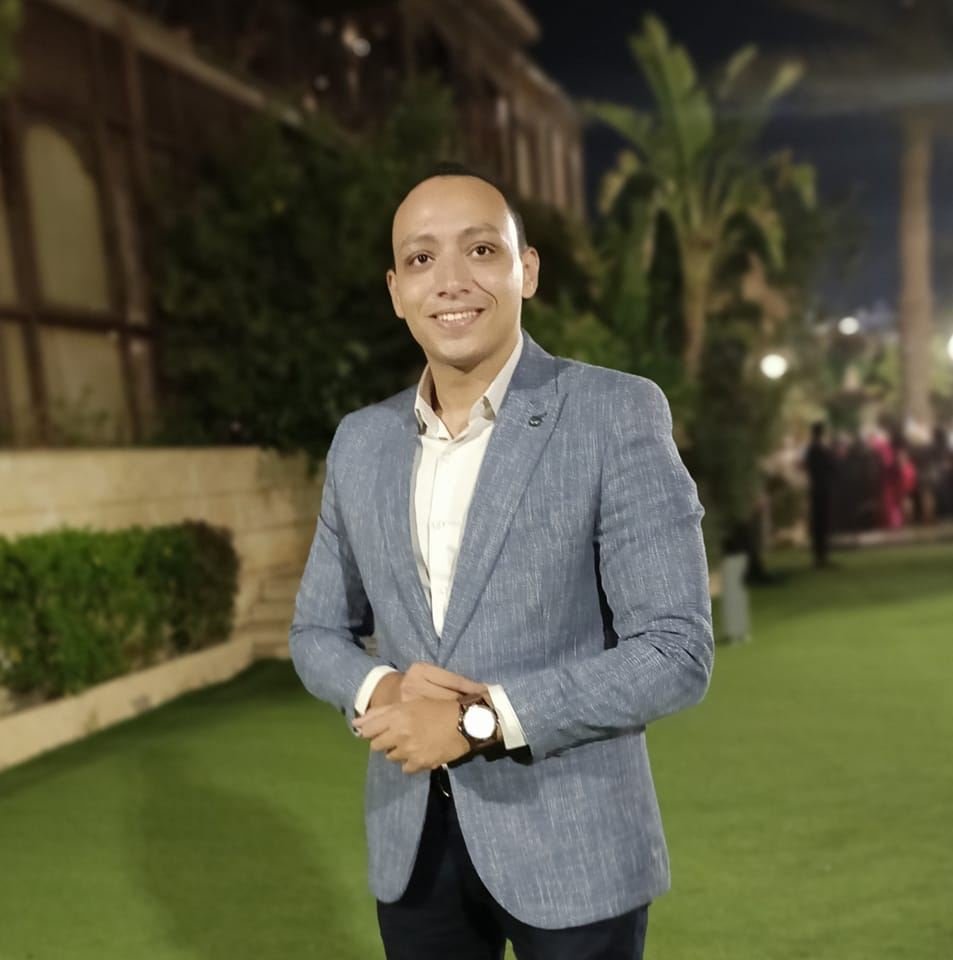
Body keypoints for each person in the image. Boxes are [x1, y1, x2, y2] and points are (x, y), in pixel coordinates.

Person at [288, 164, 713, 960]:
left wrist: (474, 722)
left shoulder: (613, 412)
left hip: (575, 847)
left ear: (527, 268)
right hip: (412, 847)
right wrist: (386, 690)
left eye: (481, 249)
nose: (450, 279)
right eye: (420, 259)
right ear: (395, 291)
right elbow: (315, 632)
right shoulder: (361, 442)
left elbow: (674, 652)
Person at [803, 421, 835, 566]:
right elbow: (831, 466)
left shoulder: (810, 450)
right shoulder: (821, 449)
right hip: (822, 488)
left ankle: (819, 555)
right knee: (822, 522)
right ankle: (822, 556)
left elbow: (807, 466)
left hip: (815, 487)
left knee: (817, 522)